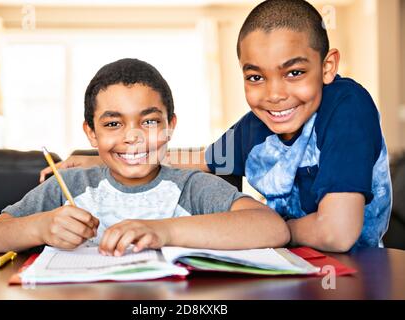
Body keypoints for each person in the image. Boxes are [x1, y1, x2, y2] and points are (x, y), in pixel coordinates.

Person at [40, 0, 392, 253]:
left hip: (358, 272)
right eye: (256, 77)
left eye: (294, 73)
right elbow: (198, 159)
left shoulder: (347, 106)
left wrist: (262, 230)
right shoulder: (256, 128)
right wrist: (95, 162)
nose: (274, 95)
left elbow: (337, 233)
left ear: (327, 67)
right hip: (285, 261)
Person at [0, 58, 290, 255]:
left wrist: (166, 231)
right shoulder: (69, 186)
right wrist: (39, 227)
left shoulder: (192, 187)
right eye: (113, 123)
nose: (132, 136)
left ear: (169, 127)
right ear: (91, 133)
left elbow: (272, 228)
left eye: (149, 121)